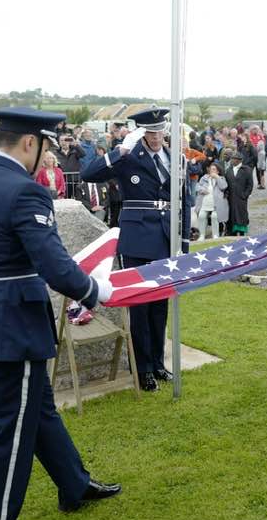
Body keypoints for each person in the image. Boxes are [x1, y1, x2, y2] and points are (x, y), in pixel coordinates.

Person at [0, 107, 120, 520]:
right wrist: (95, 290)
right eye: (44, 147)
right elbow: (55, 266)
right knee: (11, 431)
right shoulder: (24, 192)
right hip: (14, 322)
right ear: (31, 143)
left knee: (38, 407)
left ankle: (74, 484)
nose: (44, 155)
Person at [81, 108, 191, 392]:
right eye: (150, 132)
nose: (156, 137)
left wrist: (184, 245)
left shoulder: (176, 158)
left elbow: (184, 202)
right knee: (140, 305)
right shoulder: (128, 157)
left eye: (159, 131)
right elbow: (88, 173)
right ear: (141, 132)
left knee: (160, 304)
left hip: (166, 238)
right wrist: (119, 151)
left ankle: (156, 361)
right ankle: (142, 368)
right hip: (138, 237)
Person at [195, 161, 228, 240]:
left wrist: (217, 177)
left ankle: (215, 234)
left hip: (216, 204)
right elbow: (197, 187)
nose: (212, 171)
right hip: (205, 202)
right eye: (211, 169)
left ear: (218, 171)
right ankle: (202, 235)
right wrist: (202, 190)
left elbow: (223, 186)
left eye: (214, 169)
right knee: (201, 216)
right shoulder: (204, 177)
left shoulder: (221, 178)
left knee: (214, 216)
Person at [225, 151, 253, 236]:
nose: (232, 160)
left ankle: (241, 231)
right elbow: (226, 183)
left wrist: (245, 195)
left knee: (241, 213)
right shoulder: (229, 170)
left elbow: (250, 184)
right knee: (232, 213)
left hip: (241, 197)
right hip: (231, 197)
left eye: (234, 159)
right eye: (232, 159)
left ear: (239, 160)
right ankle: (232, 231)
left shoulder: (246, 170)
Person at [54, 133, 84, 199]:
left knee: (78, 199)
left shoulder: (75, 150)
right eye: (61, 140)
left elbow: (83, 154)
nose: (63, 142)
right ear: (59, 142)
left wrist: (76, 144)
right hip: (64, 181)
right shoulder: (56, 153)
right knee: (66, 199)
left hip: (76, 180)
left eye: (65, 140)